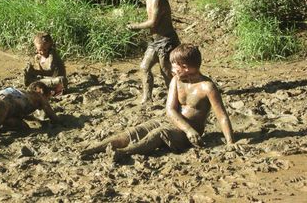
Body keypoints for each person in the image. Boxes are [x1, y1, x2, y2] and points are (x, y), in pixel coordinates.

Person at [80, 44, 234, 160]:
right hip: (174, 123)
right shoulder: (176, 81)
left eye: (174, 66)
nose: (171, 70)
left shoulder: (207, 87)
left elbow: (222, 116)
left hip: (189, 132)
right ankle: (94, 149)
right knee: (138, 130)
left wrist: (230, 142)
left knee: (159, 134)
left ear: (185, 67)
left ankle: (124, 153)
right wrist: (186, 128)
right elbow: (170, 110)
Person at [128, 0, 180, 104]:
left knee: (166, 72)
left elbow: (153, 22)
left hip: (166, 41)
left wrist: (135, 26)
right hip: (155, 41)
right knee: (144, 67)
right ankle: (147, 98)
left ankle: (175, 99)